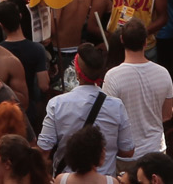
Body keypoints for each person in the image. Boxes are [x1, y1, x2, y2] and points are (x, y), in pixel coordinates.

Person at [38, 46, 134, 179]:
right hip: (104, 179)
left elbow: (44, 150)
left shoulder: (57, 104)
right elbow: (128, 151)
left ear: (77, 71)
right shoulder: (116, 106)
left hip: (67, 180)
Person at [99, 22, 170, 159]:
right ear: (145, 42)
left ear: (121, 40)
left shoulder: (112, 76)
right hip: (157, 152)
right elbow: (167, 114)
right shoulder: (163, 73)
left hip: (126, 156)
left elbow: (107, 119)